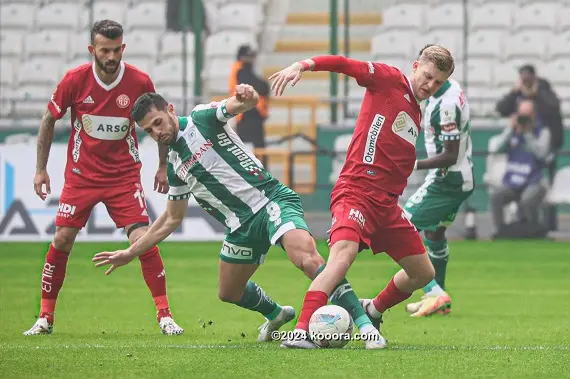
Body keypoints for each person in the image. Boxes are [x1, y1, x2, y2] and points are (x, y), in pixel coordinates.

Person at [91, 88, 385, 349]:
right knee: (228, 291)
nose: (157, 133)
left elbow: (239, 105)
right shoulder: (175, 165)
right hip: (239, 227)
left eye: (157, 123)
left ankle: (366, 326)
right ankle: (276, 314)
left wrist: (247, 98)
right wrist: (130, 252)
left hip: (270, 200)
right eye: (149, 131)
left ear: (170, 110)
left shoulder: (201, 119)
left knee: (308, 259)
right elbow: (170, 219)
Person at [269, 45, 455, 349]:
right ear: (415, 66)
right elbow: (344, 63)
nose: (430, 85)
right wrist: (303, 65)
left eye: (438, 83)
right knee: (342, 257)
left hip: (387, 205)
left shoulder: (415, 110)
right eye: (428, 76)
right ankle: (301, 330)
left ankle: (374, 309)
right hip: (356, 191)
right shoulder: (389, 80)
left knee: (423, 274)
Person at [25, 20, 183, 336]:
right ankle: (45, 317)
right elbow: (48, 120)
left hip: (123, 177)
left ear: (123, 47)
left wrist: (163, 166)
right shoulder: (74, 80)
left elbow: (160, 122)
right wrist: (41, 169)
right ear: (92, 50)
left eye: (116, 50)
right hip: (81, 176)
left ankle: (165, 315)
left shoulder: (139, 81)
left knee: (143, 239)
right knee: (62, 239)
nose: (111, 56)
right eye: (104, 50)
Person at [403, 76, 474, 317]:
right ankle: (438, 297)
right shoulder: (448, 87)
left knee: (400, 226)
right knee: (435, 234)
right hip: (460, 177)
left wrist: (412, 165)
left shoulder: (447, 105)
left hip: (447, 180)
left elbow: (450, 155)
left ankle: (434, 293)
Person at [489, 99, 551, 238]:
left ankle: (535, 229)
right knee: (496, 196)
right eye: (521, 114)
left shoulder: (542, 131)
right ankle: (501, 230)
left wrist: (528, 134)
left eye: (527, 114)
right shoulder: (512, 133)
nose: (523, 118)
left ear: (534, 115)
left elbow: (542, 155)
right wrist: (510, 129)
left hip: (534, 180)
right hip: (513, 180)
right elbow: (494, 149)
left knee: (527, 199)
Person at [228, 45, 269, 150]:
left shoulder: (244, 71)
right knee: (251, 152)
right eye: (248, 57)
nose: (251, 60)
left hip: (253, 116)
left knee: (258, 152)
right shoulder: (239, 70)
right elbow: (259, 86)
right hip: (245, 116)